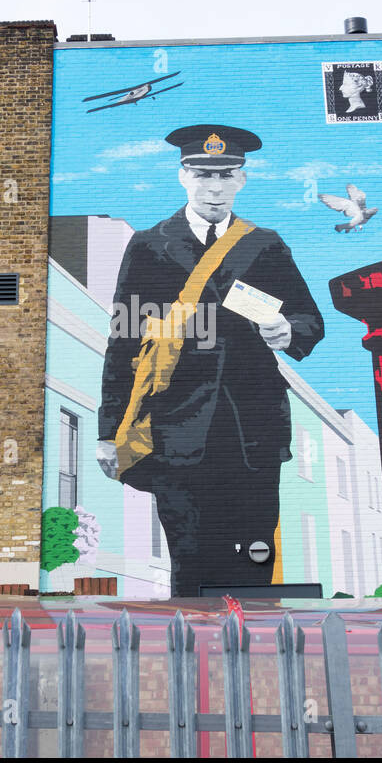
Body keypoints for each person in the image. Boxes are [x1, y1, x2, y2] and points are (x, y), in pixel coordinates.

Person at [96, 124, 324, 596]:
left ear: (243, 179)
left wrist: (289, 331)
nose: (215, 187)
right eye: (203, 175)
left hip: (254, 431)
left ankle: (254, 658)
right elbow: (123, 341)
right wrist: (106, 430)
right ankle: (196, 663)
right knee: (191, 559)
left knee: (255, 556)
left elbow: (309, 318)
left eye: (227, 175)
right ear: (183, 176)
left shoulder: (265, 244)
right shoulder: (149, 246)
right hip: (176, 431)